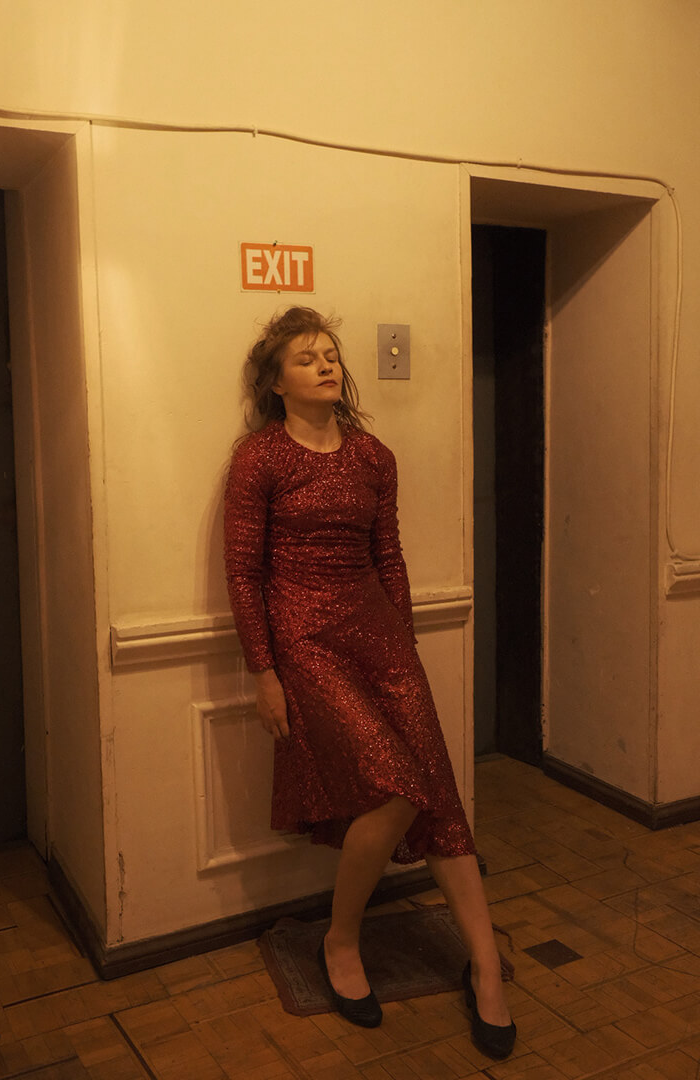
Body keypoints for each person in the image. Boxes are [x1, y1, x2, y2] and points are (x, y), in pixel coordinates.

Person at [223, 307, 515, 1058]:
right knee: (395, 788)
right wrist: (264, 671)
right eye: (305, 358)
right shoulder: (260, 458)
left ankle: (485, 966)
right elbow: (244, 573)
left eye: (330, 355)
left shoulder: (373, 456)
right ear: (276, 382)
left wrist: (403, 647)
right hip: (305, 642)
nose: (325, 365)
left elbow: (390, 557)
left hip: (380, 636)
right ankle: (341, 941)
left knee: (438, 792)